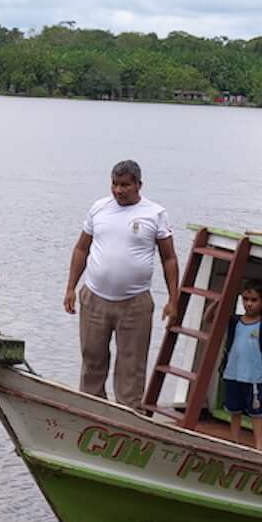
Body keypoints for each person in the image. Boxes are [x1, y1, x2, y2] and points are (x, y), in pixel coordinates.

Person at [63, 159, 180, 406]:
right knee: (92, 359)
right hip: (94, 297)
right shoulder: (99, 209)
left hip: (135, 303)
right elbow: (81, 249)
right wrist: (71, 288)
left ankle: (129, 415)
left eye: (125, 185)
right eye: (114, 184)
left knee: (131, 365)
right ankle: (91, 409)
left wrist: (173, 299)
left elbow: (168, 258)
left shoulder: (155, 213)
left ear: (139, 184)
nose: (118, 190)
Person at [219, 280, 262, 448]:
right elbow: (209, 318)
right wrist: (219, 301)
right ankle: (234, 441)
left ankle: (259, 446)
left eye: (254, 300)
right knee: (235, 411)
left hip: (254, 376)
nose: (249, 304)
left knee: (257, 413)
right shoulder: (234, 322)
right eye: (245, 299)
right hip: (232, 374)